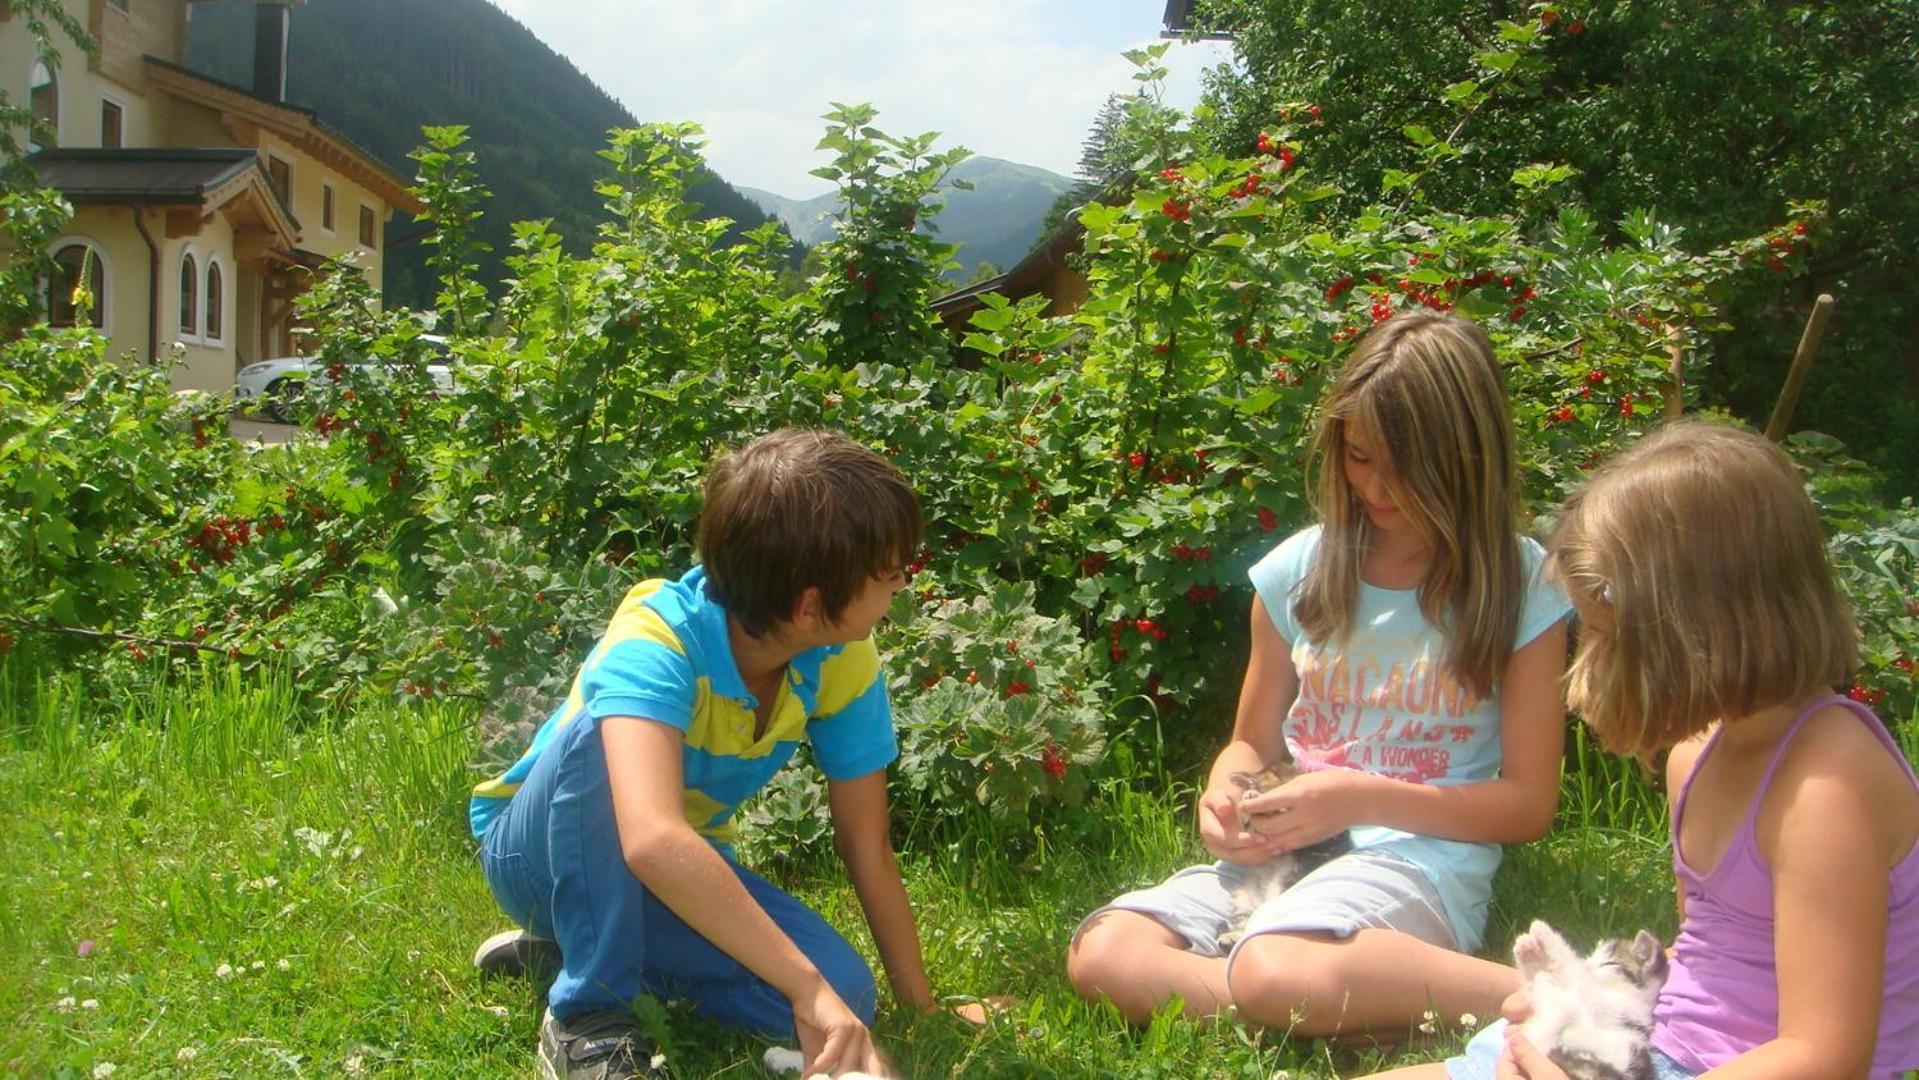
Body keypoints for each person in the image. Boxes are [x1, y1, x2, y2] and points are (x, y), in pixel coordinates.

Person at [1067, 311, 1573, 1037]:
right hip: (1283, 857)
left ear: (1466, 457)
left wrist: (1357, 798)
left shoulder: (1521, 587)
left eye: (1405, 467)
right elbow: (1250, 745)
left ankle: (1551, 1000)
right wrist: (1224, 793)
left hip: (1413, 865)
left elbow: (1527, 806)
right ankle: (1309, 1001)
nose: (1373, 486)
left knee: (1277, 968)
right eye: (1359, 456)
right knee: (1103, 951)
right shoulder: (1299, 572)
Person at [1373, 421, 1919, 1079]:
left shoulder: (1826, 787)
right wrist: (1585, 996)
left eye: (1606, 640)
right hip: (1641, 1049)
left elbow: (1823, 1055)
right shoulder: (1700, 754)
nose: (1584, 672)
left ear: (1693, 631)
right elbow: (1716, 965)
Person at [468, 428, 933, 1080]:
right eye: (889, 573)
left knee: (847, 994)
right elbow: (653, 838)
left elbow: (867, 843)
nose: (902, 583)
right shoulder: (657, 638)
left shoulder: (841, 658)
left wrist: (918, 1006)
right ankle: (588, 1017)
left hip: (664, 875)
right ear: (809, 605)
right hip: (536, 855)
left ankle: (572, 949)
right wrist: (805, 989)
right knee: (606, 734)